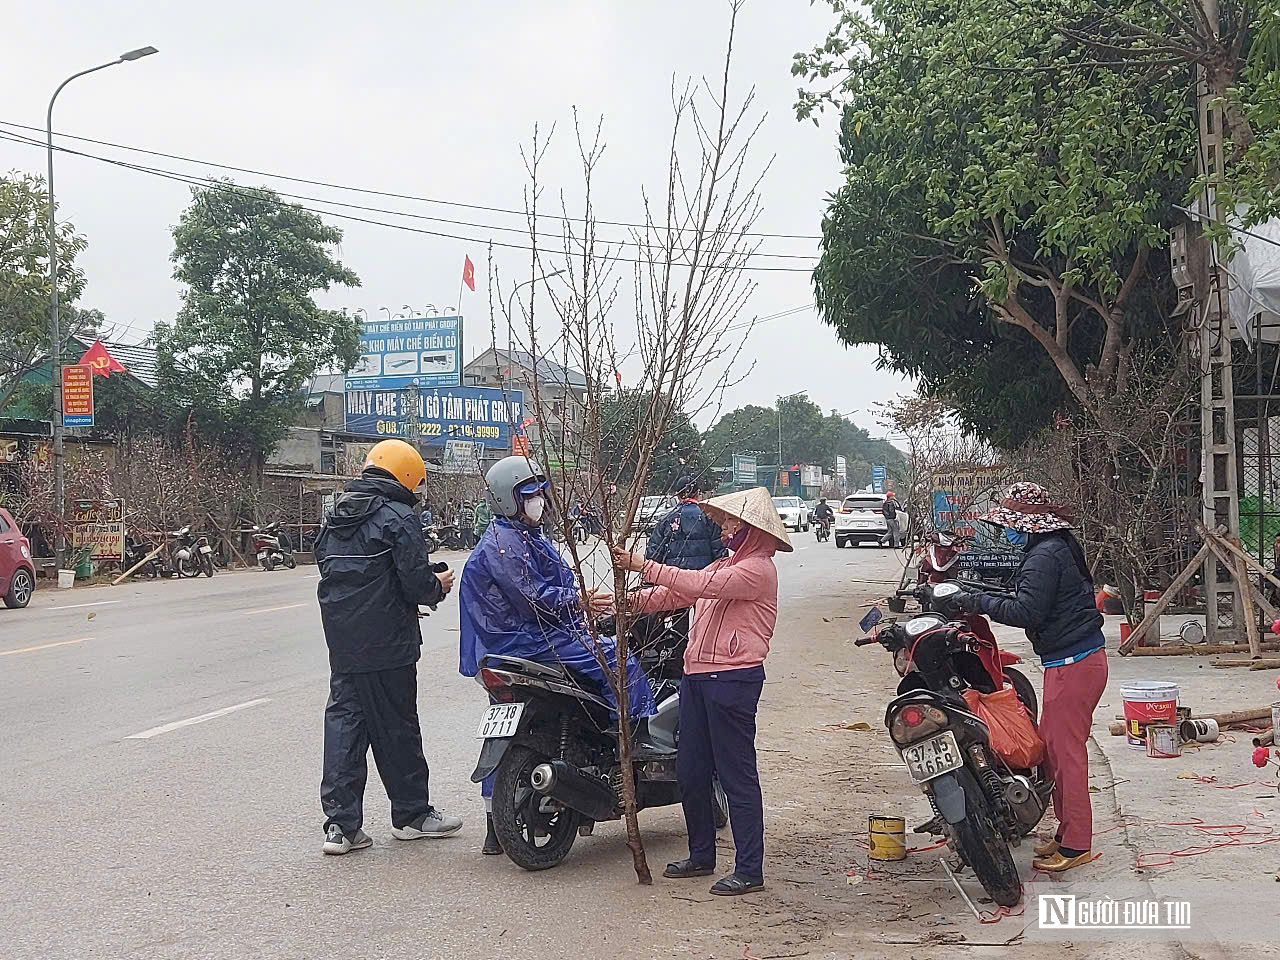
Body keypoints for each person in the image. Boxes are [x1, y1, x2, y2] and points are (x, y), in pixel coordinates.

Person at [459, 456, 656, 856]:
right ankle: (636, 738)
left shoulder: (523, 537)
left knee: (508, 736)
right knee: (620, 659)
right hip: (528, 642)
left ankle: (494, 830)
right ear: (507, 500)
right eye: (529, 496)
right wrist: (579, 601)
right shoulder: (506, 543)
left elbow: (556, 581)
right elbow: (534, 598)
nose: (538, 502)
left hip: (504, 650)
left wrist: (580, 601)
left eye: (539, 494)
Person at [614, 486, 790, 897]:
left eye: (732, 523)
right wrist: (618, 602)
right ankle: (701, 855)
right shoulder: (725, 563)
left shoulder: (757, 570)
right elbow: (677, 593)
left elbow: (696, 583)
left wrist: (643, 563)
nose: (725, 528)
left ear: (751, 530)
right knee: (691, 772)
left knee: (736, 776)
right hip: (696, 677)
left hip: (733, 680)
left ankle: (749, 869)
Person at [315, 438, 462, 856]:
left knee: (345, 727)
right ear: (407, 477)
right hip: (388, 643)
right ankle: (413, 815)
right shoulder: (398, 516)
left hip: (344, 642)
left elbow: (341, 574)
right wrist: (439, 586)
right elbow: (416, 582)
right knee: (398, 726)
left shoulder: (335, 515)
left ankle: (341, 828)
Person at [955, 482, 1106, 873]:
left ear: (1024, 524)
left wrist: (977, 602)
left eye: (1009, 524)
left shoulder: (1044, 556)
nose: (1007, 531)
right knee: (1056, 752)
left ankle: (1075, 845)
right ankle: (1066, 833)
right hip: (1074, 660)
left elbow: (1026, 611)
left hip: (1074, 663)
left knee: (1066, 756)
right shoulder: (1056, 545)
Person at [646, 475, 727, 570]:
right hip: (703, 577)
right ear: (697, 493)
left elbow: (654, 554)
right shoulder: (709, 518)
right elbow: (720, 554)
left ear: (677, 494)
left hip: (672, 578)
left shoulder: (666, 520)